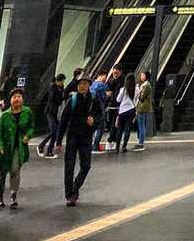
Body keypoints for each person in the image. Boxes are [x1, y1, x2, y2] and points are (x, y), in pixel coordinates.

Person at [56, 72, 104, 206]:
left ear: (89, 85)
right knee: (69, 166)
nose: (82, 86)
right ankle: (69, 195)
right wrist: (58, 141)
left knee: (86, 165)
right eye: (80, 84)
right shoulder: (72, 100)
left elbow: (100, 115)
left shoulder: (93, 99)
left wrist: (93, 122)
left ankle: (75, 186)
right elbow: (63, 121)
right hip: (72, 136)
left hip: (86, 136)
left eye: (85, 83)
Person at [0, 87, 34, 209]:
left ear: (23, 99)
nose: (17, 99)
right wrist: (0, 146)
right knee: (2, 174)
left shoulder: (27, 112)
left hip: (18, 148)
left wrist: (28, 135)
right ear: (10, 100)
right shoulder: (4, 116)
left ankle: (13, 195)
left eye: (19, 97)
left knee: (15, 170)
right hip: (5, 149)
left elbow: (31, 126)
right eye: (14, 97)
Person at [38, 72, 65, 157]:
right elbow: (53, 98)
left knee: (55, 132)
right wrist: (61, 96)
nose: (62, 83)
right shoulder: (52, 87)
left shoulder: (61, 88)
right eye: (61, 81)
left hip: (56, 112)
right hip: (50, 111)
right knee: (54, 130)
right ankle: (41, 145)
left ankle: (49, 150)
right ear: (57, 81)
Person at [115, 72, 137, 152]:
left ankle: (117, 147)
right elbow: (136, 100)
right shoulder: (136, 89)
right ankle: (124, 146)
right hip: (131, 110)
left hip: (122, 111)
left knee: (120, 129)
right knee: (127, 129)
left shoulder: (123, 89)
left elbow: (118, 100)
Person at [133, 71, 152, 149]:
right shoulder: (145, 85)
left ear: (146, 76)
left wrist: (138, 90)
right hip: (142, 107)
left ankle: (141, 143)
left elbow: (141, 97)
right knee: (141, 125)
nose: (141, 77)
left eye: (142, 75)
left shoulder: (146, 85)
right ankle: (140, 142)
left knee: (141, 126)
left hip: (142, 107)